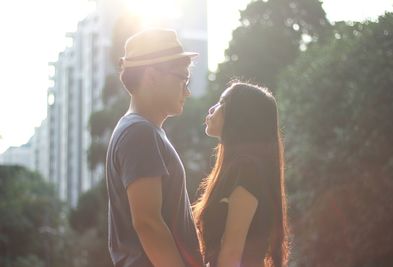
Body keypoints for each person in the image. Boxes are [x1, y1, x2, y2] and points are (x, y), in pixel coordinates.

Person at [106, 28, 203, 267]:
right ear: (151, 76)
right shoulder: (139, 133)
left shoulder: (143, 130)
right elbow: (147, 222)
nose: (187, 91)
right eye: (182, 79)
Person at [193, 82, 290, 267]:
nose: (212, 108)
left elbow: (231, 254)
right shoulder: (238, 168)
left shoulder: (247, 170)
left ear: (239, 116)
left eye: (222, 102)